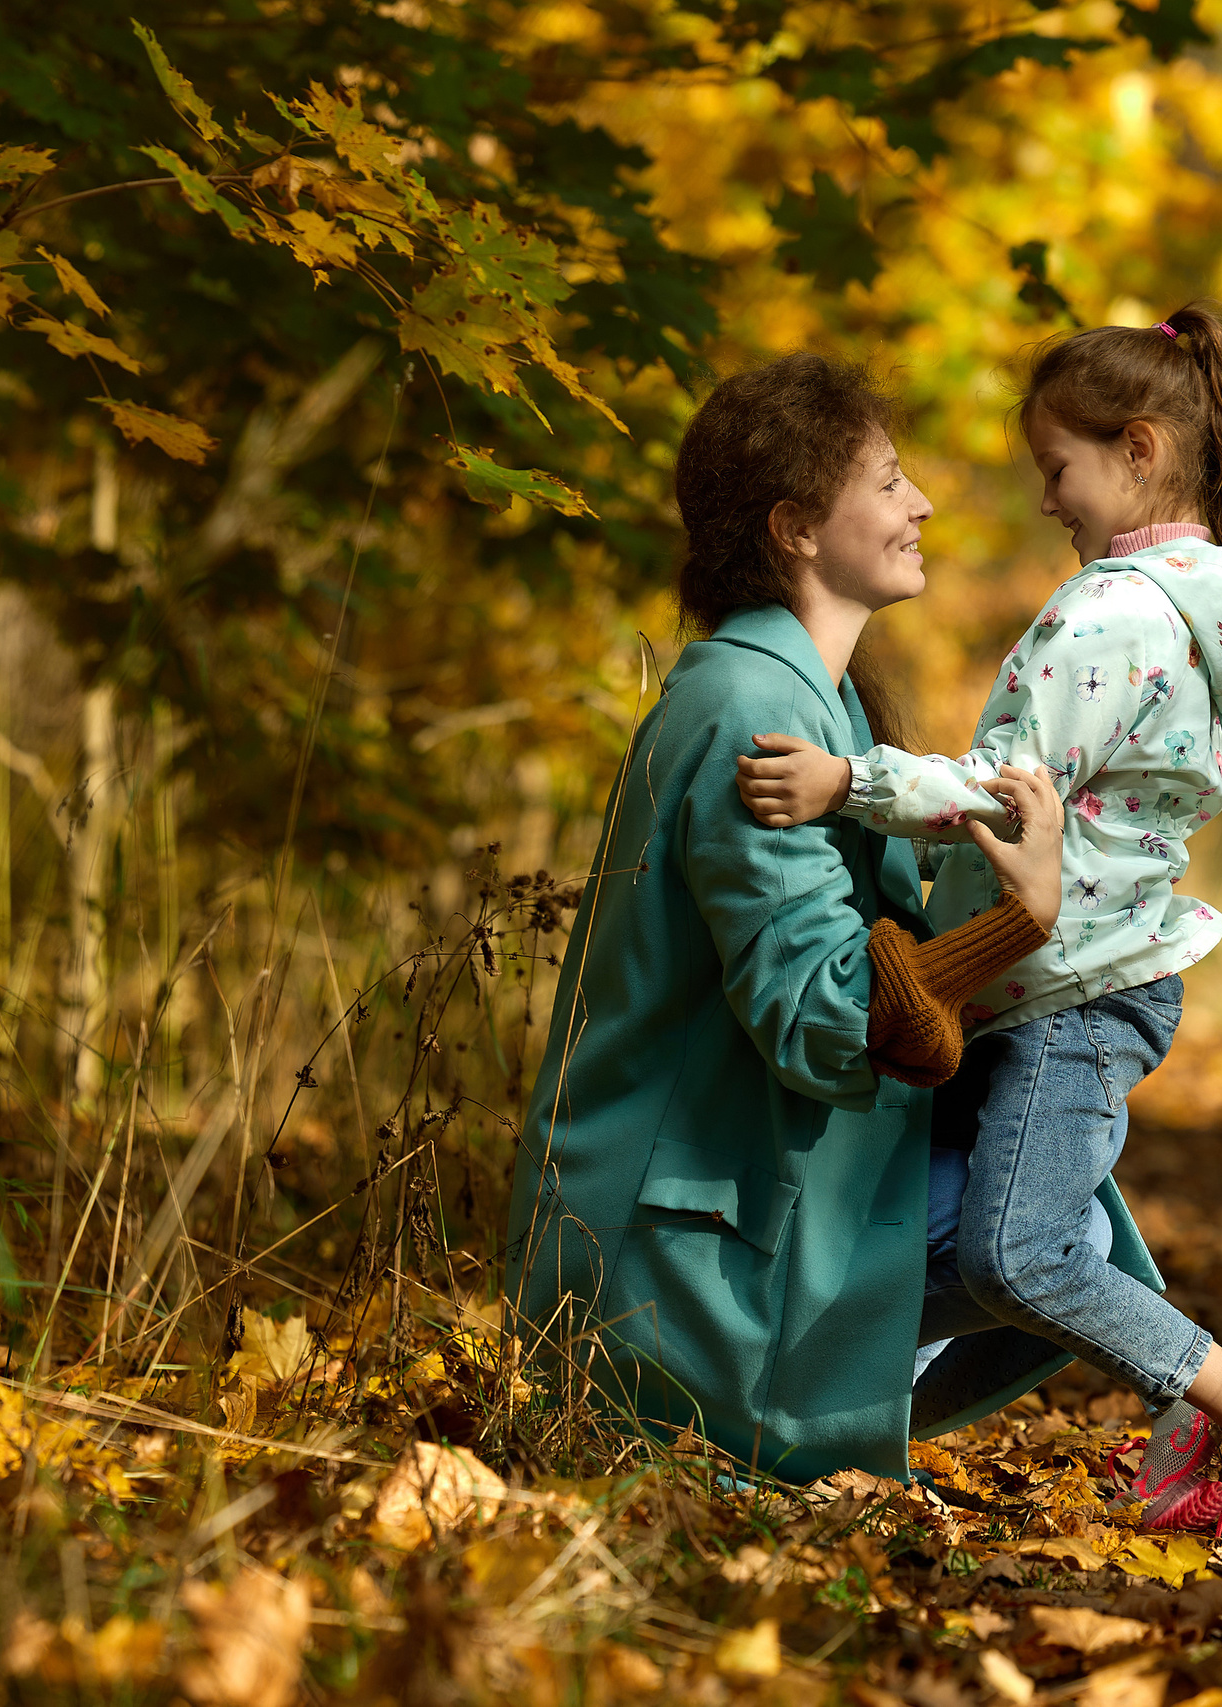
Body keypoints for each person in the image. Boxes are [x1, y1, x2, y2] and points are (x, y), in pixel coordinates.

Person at [734, 305, 1222, 1546]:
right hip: (1057, 987)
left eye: (1056, 468)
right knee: (962, 1244)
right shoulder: (1190, 607)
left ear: (1137, 450)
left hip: (1072, 998)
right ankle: (836, 1411)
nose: (1045, 500)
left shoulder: (1113, 611)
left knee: (1017, 1259)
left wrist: (848, 783)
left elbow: (1003, 788)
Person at [504, 354, 1092, 1485]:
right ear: (796, 529)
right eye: (889, 482)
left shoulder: (817, 704)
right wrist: (1017, 922)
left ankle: (834, 1421)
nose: (923, 504)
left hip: (736, 1199)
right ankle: (780, 1434)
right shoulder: (754, 708)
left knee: (1061, 1206)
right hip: (673, 1250)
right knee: (1047, 1231)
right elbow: (821, 1020)